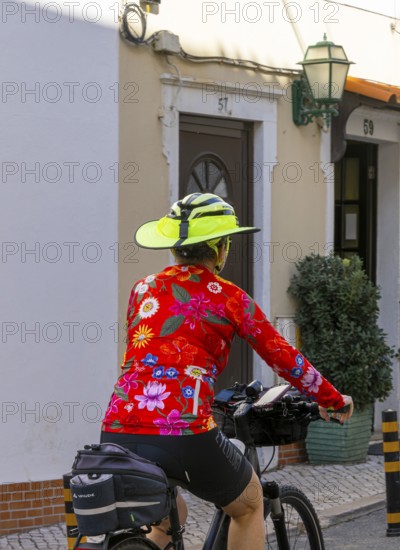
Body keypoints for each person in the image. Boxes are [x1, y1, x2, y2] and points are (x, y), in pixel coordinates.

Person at [100, 192, 354, 550]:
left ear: (174, 246)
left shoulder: (142, 289)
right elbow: (282, 355)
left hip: (118, 428)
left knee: (169, 516)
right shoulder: (229, 297)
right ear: (221, 248)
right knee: (249, 504)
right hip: (183, 430)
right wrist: (330, 398)